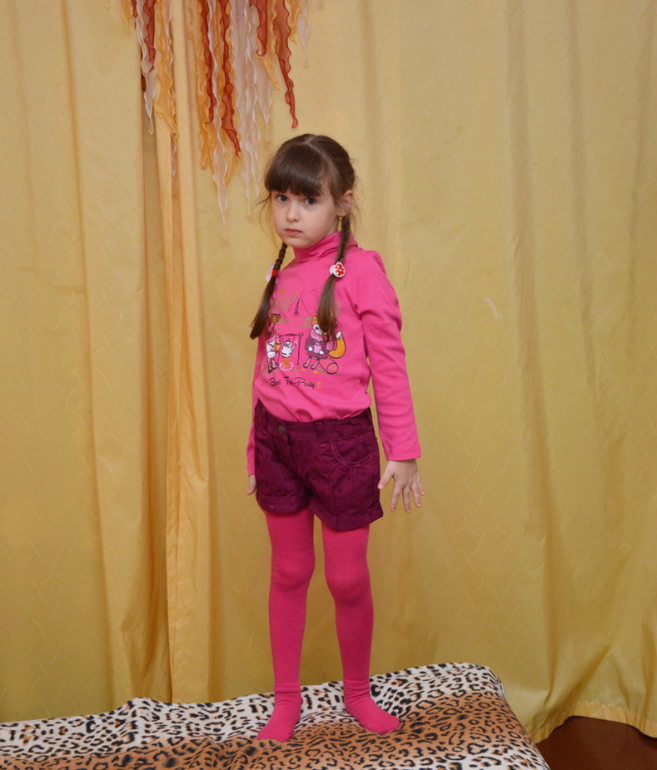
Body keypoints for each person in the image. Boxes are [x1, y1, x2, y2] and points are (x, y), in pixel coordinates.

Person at [246, 134, 423, 742]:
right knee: (289, 571)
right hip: (277, 442)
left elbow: (389, 365)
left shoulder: (361, 272)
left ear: (342, 203)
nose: (291, 214)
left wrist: (403, 450)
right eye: (280, 199)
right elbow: (265, 369)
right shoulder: (281, 273)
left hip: (340, 446)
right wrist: (254, 451)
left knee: (346, 580)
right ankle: (286, 701)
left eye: (308, 200)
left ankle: (356, 693)